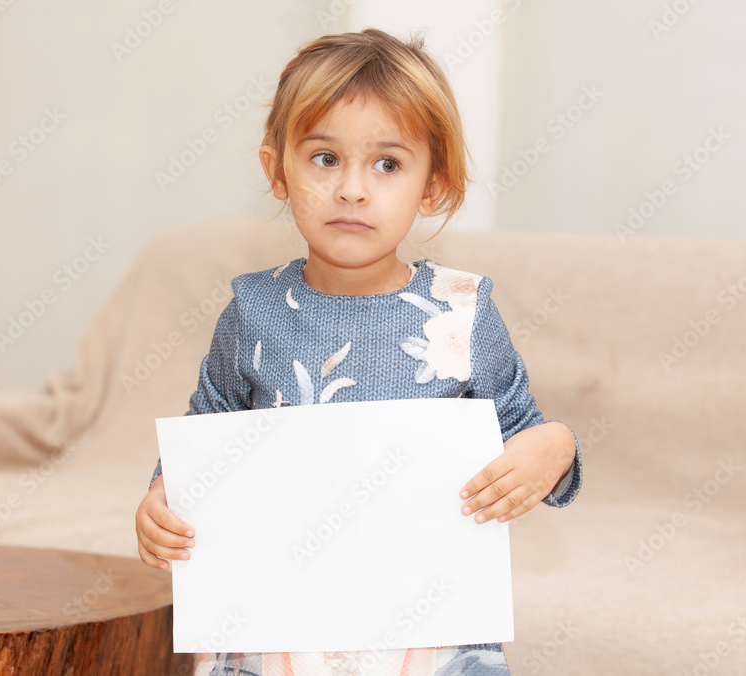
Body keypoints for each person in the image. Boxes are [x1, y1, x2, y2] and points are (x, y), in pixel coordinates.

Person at [135, 27, 582, 676]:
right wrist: (162, 497)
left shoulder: (463, 313)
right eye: (324, 158)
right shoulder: (251, 311)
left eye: (388, 165)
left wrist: (554, 448)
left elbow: (523, 442)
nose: (351, 189)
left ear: (432, 187)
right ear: (276, 171)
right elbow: (207, 432)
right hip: (280, 622)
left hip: (431, 629)